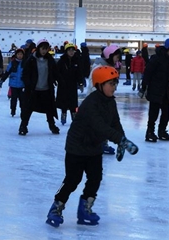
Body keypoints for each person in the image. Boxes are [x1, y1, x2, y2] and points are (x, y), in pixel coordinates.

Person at [45, 66, 138, 228]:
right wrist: (120, 140)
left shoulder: (110, 102)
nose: (114, 87)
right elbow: (100, 127)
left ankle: (84, 210)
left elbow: (115, 123)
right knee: (72, 180)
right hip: (77, 147)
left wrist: (121, 139)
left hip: (94, 147)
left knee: (95, 179)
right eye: (111, 83)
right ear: (100, 84)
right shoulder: (91, 104)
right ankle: (56, 208)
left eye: (115, 83)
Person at [139, 38, 169, 142]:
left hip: (165, 90)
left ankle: (162, 131)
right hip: (155, 89)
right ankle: (150, 132)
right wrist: (143, 88)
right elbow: (147, 74)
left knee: (166, 113)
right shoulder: (156, 58)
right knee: (153, 113)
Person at [19, 39, 60, 136]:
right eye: (42, 48)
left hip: (46, 89)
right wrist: (28, 84)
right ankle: (23, 126)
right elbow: (25, 74)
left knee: (49, 109)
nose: (44, 51)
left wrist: (58, 80)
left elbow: (55, 72)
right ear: (38, 48)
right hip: (34, 90)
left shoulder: (50, 60)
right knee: (28, 109)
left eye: (46, 49)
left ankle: (52, 125)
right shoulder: (32, 59)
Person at [56, 43, 83, 125]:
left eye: (73, 50)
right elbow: (57, 72)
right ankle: (63, 114)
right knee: (64, 101)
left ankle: (74, 115)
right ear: (66, 51)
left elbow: (79, 73)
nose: (71, 52)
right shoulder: (62, 61)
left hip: (72, 85)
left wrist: (80, 82)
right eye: (69, 50)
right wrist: (59, 80)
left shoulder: (77, 61)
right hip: (63, 85)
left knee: (73, 102)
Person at [0, 48, 25, 117]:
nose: (20, 56)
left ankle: (23, 111)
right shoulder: (13, 63)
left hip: (22, 84)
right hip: (13, 84)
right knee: (13, 99)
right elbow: (7, 72)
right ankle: (13, 110)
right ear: (16, 55)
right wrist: (2, 80)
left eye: (21, 54)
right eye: (18, 54)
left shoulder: (25, 63)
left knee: (22, 100)